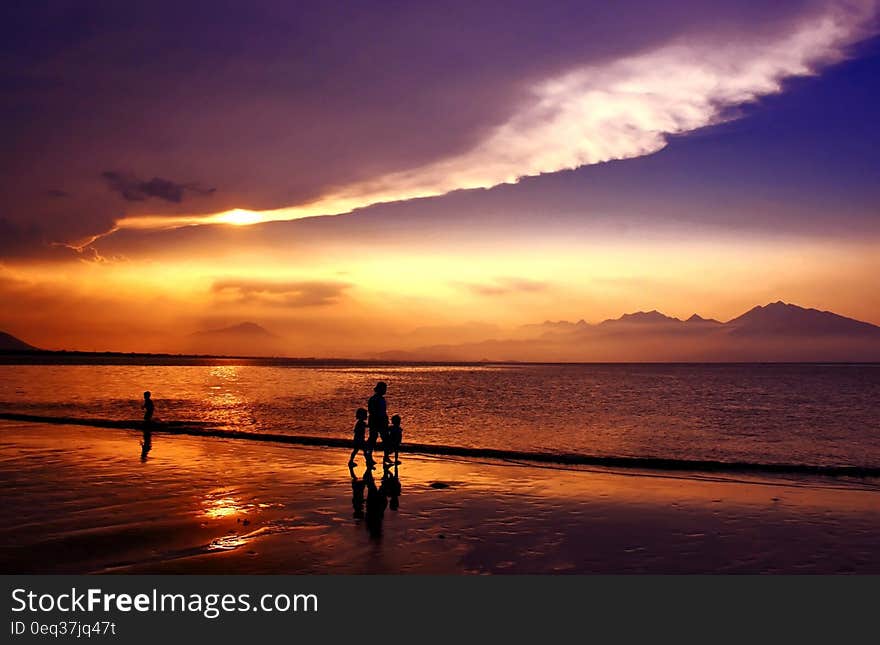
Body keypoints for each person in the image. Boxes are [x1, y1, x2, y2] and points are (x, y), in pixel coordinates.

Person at [366, 381, 388, 467]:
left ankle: (385, 457)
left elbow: (383, 411)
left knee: (384, 439)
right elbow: (372, 411)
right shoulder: (374, 399)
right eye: (384, 389)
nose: (385, 390)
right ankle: (369, 457)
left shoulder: (381, 399)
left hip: (380, 420)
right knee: (373, 439)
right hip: (376, 421)